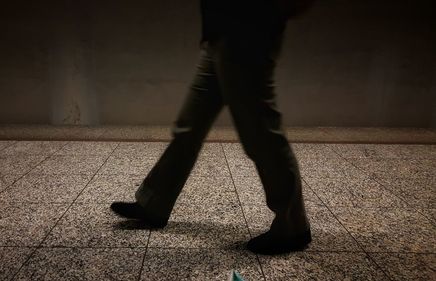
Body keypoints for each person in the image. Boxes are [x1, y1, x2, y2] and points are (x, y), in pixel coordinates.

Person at [111, 0, 315, 255]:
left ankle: (292, 227)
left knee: (260, 132)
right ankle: (154, 203)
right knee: (189, 126)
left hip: (248, 30)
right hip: (220, 33)